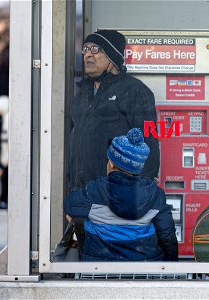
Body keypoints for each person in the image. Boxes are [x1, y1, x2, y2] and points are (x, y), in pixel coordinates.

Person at [63, 128, 178, 261]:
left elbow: (69, 207)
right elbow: (167, 235)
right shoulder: (155, 194)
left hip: (99, 266)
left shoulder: (95, 190)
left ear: (111, 163)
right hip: (144, 265)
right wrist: (172, 264)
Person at [68, 29, 159, 191]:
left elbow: (149, 144)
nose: (88, 55)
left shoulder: (135, 91)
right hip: (81, 196)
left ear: (113, 55)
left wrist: (135, 195)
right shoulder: (81, 92)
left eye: (95, 49)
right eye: (85, 49)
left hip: (115, 195)